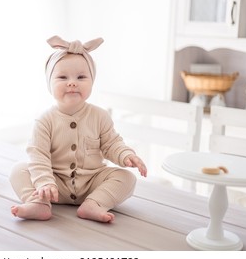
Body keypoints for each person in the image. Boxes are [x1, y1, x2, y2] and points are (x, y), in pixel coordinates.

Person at [10, 35, 147, 223]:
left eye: (81, 77)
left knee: (126, 178)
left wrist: (125, 155)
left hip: (91, 183)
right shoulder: (45, 120)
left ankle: (94, 204)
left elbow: (112, 144)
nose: (72, 82)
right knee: (19, 170)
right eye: (62, 77)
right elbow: (38, 155)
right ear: (49, 83)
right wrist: (45, 182)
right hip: (54, 185)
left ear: (92, 81)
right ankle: (39, 203)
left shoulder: (100, 116)